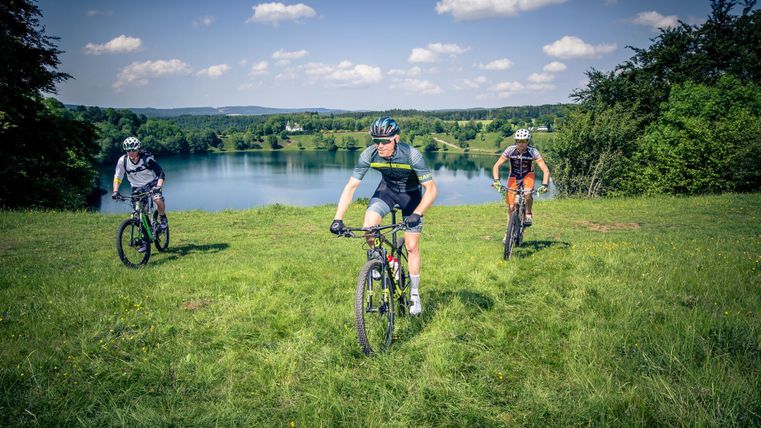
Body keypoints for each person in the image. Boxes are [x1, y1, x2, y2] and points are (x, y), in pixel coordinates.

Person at [329, 116, 438, 315]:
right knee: (368, 229)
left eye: (385, 141)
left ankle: (414, 293)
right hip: (386, 192)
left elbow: (431, 190)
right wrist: (338, 218)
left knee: (411, 246)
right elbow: (351, 186)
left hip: (411, 196)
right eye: (376, 140)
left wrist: (417, 214)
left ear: (396, 138)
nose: (380, 145)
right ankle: (385, 261)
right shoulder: (369, 155)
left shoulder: (412, 155)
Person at [112, 137, 168, 250]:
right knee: (138, 215)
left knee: (157, 199)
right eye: (128, 151)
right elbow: (118, 177)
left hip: (151, 184)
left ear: (138, 149)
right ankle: (144, 240)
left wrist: (158, 186)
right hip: (136, 187)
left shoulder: (146, 159)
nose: (131, 153)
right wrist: (115, 191)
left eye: (133, 150)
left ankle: (162, 218)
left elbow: (161, 173)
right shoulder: (123, 161)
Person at [491, 128, 550, 234]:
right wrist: (496, 180)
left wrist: (545, 184)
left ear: (528, 141)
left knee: (527, 193)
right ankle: (508, 232)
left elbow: (545, 170)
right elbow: (496, 166)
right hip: (513, 176)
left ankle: (528, 214)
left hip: (528, 176)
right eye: (518, 141)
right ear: (515, 141)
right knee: (511, 207)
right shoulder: (510, 150)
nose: (521, 144)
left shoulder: (533, 152)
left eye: (523, 141)